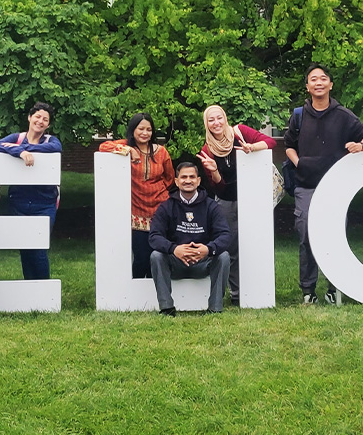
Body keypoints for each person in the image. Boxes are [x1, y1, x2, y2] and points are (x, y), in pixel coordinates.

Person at [284, 64, 363, 304]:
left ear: (330, 85)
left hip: (336, 188)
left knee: (335, 238)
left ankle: (334, 288)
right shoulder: (298, 115)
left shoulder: (343, 115)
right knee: (305, 236)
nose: (318, 82)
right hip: (306, 186)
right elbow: (289, 145)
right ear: (307, 86)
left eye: (323, 78)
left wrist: (362, 146)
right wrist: (298, 163)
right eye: (313, 79)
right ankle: (308, 291)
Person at [196, 104, 276, 306]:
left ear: (225, 118)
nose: (216, 123)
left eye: (219, 118)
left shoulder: (240, 132)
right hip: (227, 202)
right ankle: (236, 293)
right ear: (206, 124)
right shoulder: (207, 150)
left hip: (252, 199)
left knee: (256, 243)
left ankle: (259, 289)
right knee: (230, 248)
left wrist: (252, 147)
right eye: (211, 120)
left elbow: (271, 141)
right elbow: (219, 188)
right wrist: (214, 170)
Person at [0, 102, 62, 280]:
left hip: (44, 203)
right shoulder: (18, 137)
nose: (40, 121)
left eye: (45, 119)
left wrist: (21, 150)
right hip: (19, 201)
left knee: (38, 247)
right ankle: (30, 288)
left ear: (48, 124)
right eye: (37, 116)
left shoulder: (50, 140)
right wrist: (19, 152)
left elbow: (55, 148)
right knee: (25, 246)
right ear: (30, 118)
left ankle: (43, 290)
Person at [147, 162, 233, 315]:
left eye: (192, 177)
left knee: (224, 257)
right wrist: (174, 249)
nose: (188, 180)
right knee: (156, 256)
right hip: (176, 263)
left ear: (198, 181)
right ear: (176, 181)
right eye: (184, 177)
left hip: (202, 263)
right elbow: (154, 236)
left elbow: (225, 235)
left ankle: (215, 308)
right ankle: (167, 307)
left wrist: (208, 249)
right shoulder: (166, 207)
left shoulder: (211, 206)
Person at [99, 113, 175, 278]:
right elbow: (103, 147)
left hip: (160, 208)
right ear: (133, 130)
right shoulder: (126, 145)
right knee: (141, 256)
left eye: (149, 129)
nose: (145, 133)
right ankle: (137, 295)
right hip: (137, 210)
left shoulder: (161, 152)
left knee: (159, 254)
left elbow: (169, 178)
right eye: (141, 129)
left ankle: (157, 292)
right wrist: (128, 150)